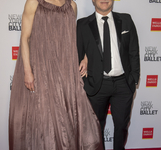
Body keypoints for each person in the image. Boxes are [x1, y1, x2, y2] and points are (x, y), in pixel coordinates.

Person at [9, 0, 103, 149]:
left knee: (67, 116)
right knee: (44, 118)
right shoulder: (33, 3)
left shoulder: (71, 5)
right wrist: (27, 71)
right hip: (41, 69)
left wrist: (84, 58)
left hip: (65, 70)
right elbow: (25, 38)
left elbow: (71, 40)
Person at [77, 0, 140, 150]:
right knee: (96, 129)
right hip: (96, 86)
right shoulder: (82, 25)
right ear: (93, 0)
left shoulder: (126, 20)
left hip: (123, 84)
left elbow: (133, 51)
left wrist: (134, 79)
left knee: (122, 126)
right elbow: (77, 54)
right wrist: (84, 63)